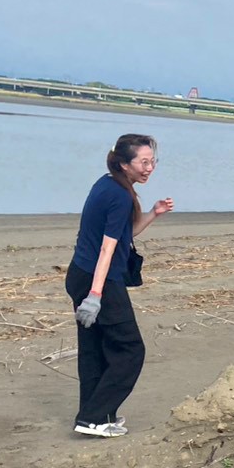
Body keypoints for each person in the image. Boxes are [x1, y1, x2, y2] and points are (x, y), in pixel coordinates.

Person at [65, 135, 174, 437]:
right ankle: (94, 418)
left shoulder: (108, 184)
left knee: (95, 349)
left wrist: (153, 213)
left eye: (152, 161)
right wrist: (95, 295)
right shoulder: (119, 195)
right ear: (124, 164)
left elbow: (124, 234)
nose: (149, 168)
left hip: (80, 274)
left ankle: (94, 417)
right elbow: (107, 248)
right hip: (98, 280)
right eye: (143, 162)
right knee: (130, 350)